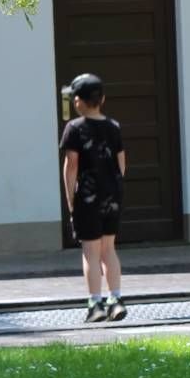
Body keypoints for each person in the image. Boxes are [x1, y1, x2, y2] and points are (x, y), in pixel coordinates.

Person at [59, 72, 127, 322]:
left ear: (78, 101)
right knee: (109, 248)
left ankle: (95, 304)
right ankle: (116, 300)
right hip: (112, 194)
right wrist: (114, 188)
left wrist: (71, 199)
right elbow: (121, 162)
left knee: (91, 251)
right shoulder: (114, 126)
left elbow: (71, 165)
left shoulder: (74, 128)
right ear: (103, 99)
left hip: (88, 196)